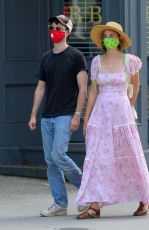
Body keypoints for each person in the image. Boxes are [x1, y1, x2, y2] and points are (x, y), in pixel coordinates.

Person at [76, 21, 149, 219]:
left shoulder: (130, 61)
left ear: (119, 38)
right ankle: (94, 205)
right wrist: (86, 118)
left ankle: (145, 199)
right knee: (97, 157)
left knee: (131, 156)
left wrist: (127, 105)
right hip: (100, 115)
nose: (108, 39)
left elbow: (136, 86)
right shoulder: (97, 62)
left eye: (112, 35)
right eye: (105, 36)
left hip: (122, 117)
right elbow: (93, 91)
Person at [28, 15, 88, 217]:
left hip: (65, 114)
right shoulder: (46, 58)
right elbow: (40, 87)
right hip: (47, 117)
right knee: (51, 161)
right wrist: (34, 114)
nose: (54, 29)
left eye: (58, 26)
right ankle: (60, 204)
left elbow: (83, 89)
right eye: (52, 26)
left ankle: (86, 192)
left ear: (68, 32)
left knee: (58, 155)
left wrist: (76, 115)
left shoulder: (76, 56)